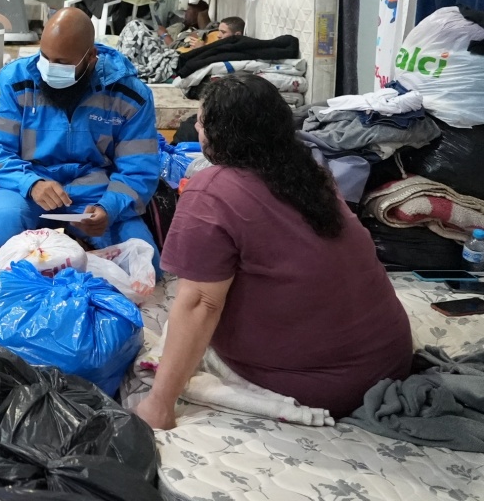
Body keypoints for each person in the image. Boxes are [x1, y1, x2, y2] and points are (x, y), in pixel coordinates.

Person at [134, 75, 412, 430]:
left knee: (172, 315)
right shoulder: (312, 173)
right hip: (389, 359)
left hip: (323, 385)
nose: (197, 127)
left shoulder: (211, 190)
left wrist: (159, 404)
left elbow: (200, 304)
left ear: (220, 133)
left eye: (201, 121)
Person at [0, 7, 161, 261]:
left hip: (96, 194)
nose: (49, 69)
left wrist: (109, 207)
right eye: (44, 57)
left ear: (91, 58)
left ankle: (78, 241)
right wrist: (31, 184)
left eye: (62, 63)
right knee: (2, 220)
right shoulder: (15, 80)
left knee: (145, 259)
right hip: (31, 186)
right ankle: (70, 247)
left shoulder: (130, 95)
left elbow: (139, 168)